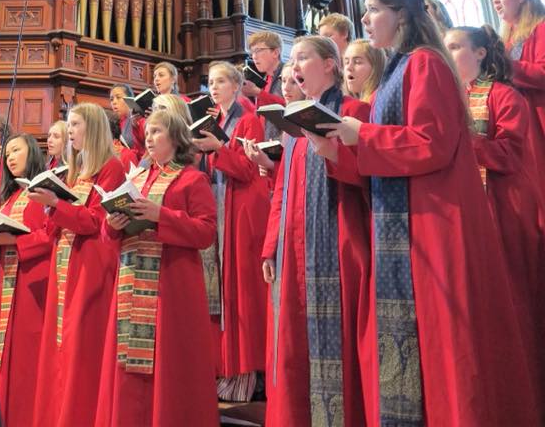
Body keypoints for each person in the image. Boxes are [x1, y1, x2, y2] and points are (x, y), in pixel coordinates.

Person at [323, 0, 538, 426]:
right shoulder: (395, 72)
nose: (364, 18)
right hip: (404, 220)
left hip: (435, 220)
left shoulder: (425, 65)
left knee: (448, 347)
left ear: (401, 13)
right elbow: (384, 155)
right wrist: (335, 151)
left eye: (373, 8)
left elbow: (431, 143)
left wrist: (361, 134)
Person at [261, 37, 373, 426]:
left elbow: (372, 175)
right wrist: (270, 246)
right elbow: (281, 190)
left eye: (303, 57)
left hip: (338, 239)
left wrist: (334, 154)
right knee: (294, 344)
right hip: (293, 247)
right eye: (292, 60)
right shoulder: (292, 122)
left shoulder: (355, 110)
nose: (294, 67)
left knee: (340, 335)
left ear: (330, 64)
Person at [96, 109, 218, 427]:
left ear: (176, 138)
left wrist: (161, 215)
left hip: (171, 287)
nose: (149, 138)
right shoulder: (134, 178)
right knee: (126, 371)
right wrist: (112, 224)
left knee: (170, 368)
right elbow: (108, 237)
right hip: (131, 281)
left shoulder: (193, 178)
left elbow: (206, 232)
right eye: (147, 132)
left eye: (157, 132)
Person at [445, 24, 545, 410]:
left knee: (514, 307)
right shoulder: (449, 98)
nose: (448, 53)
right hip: (463, 214)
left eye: (456, 46)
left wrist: (459, 141)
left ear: (481, 53)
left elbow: (509, 155)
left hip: (504, 209)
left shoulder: (503, 95)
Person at [31, 103, 125, 427]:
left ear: (93, 128)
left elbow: (97, 221)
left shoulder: (111, 167)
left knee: (82, 348)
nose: (69, 132)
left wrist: (56, 204)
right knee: (61, 349)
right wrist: (49, 209)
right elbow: (59, 224)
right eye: (68, 125)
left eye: (75, 125)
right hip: (65, 262)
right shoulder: (73, 169)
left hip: (91, 266)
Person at [193, 61, 269, 403]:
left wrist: (218, 149)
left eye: (221, 81)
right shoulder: (219, 120)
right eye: (210, 82)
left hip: (242, 209)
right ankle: (228, 368)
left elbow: (249, 170)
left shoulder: (249, 118)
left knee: (242, 291)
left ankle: (248, 373)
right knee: (225, 292)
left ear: (237, 85)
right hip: (224, 204)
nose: (214, 87)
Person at [0, 133, 50, 426]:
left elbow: (51, 235)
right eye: (7, 153)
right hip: (6, 279)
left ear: (32, 152)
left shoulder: (43, 191)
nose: (9, 158)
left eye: (16, 151)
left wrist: (16, 241)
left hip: (31, 284)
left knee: (25, 360)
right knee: (2, 357)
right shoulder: (10, 196)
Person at [494, 0, 545, 183]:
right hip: (522, 119)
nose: (495, 1)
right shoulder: (507, 39)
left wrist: (504, 65)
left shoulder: (541, 28)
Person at [109, 83, 145, 156]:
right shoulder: (112, 122)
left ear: (129, 99)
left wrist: (124, 151)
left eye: (118, 97)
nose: (114, 102)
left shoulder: (139, 120)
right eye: (111, 99)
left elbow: (145, 150)